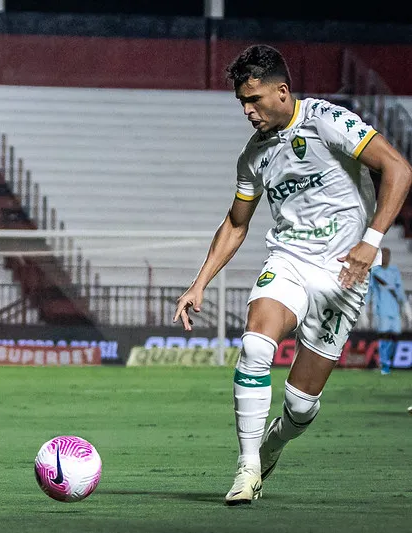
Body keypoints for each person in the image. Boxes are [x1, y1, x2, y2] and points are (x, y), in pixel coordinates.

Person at [172, 44, 412, 505]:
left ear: (282, 91)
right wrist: (198, 283)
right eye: (242, 102)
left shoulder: (327, 121)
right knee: (256, 344)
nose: (247, 110)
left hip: (343, 276)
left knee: (300, 408)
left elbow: (398, 168)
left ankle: (273, 445)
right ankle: (246, 470)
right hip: (289, 262)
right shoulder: (253, 157)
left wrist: (372, 241)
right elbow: (237, 223)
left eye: (254, 99)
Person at [366, 247, 406, 374]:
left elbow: (399, 289)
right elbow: (370, 290)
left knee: (394, 337)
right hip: (382, 309)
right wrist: (366, 306)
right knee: (384, 337)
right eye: (383, 256)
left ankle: (388, 361)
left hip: (395, 310)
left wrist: (404, 305)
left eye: (387, 256)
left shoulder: (394, 271)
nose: (386, 258)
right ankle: (384, 365)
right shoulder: (375, 272)